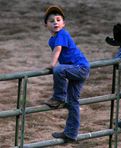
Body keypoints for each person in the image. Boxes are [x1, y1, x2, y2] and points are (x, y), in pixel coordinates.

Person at [43, 5, 90, 142]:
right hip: (74, 69)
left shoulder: (62, 34)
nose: (55, 22)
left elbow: (58, 50)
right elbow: (56, 48)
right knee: (73, 102)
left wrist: (52, 65)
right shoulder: (52, 39)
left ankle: (58, 97)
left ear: (63, 23)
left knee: (58, 69)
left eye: (58, 20)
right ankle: (71, 133)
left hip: (79, 67)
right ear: (46, 25)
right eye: (51, 21)